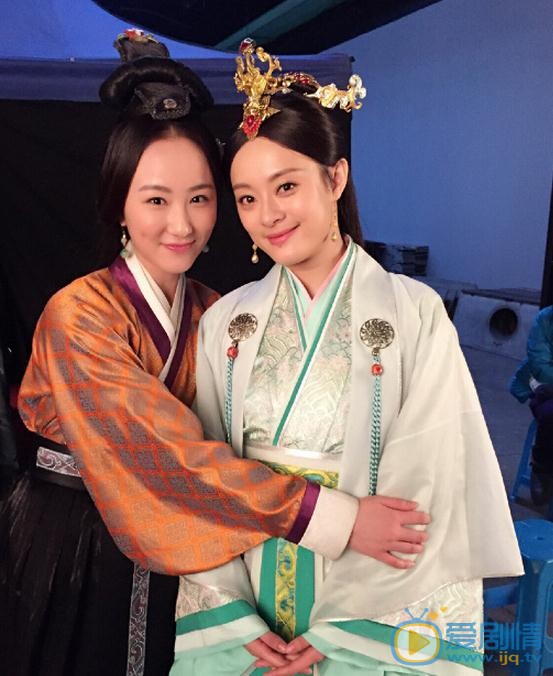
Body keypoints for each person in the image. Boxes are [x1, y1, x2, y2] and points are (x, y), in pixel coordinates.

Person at [0, 31, 430, 676]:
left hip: (196, 542)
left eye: (200, 198)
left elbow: (236, 448)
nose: (182, 224)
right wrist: (331, 517)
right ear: (119, 205)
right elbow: (162, 453)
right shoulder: (79, 314)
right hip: (78, 541)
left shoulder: (215, 310)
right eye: (155, 199)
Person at [171, 40, 523, 675]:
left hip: (367, 595)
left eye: (286, 186)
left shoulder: (413, 313)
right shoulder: (226, 323)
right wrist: (231, 613)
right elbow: (208, 474)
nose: (268, 215)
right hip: (250, 590)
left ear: (335, 178)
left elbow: (431, 481)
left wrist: (344, 628)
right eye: (246, 198)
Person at [509, 305, 553, 505]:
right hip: (544, 386)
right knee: (550, 413)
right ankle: (541, 470)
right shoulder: (545, 319)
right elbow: (540, 365)